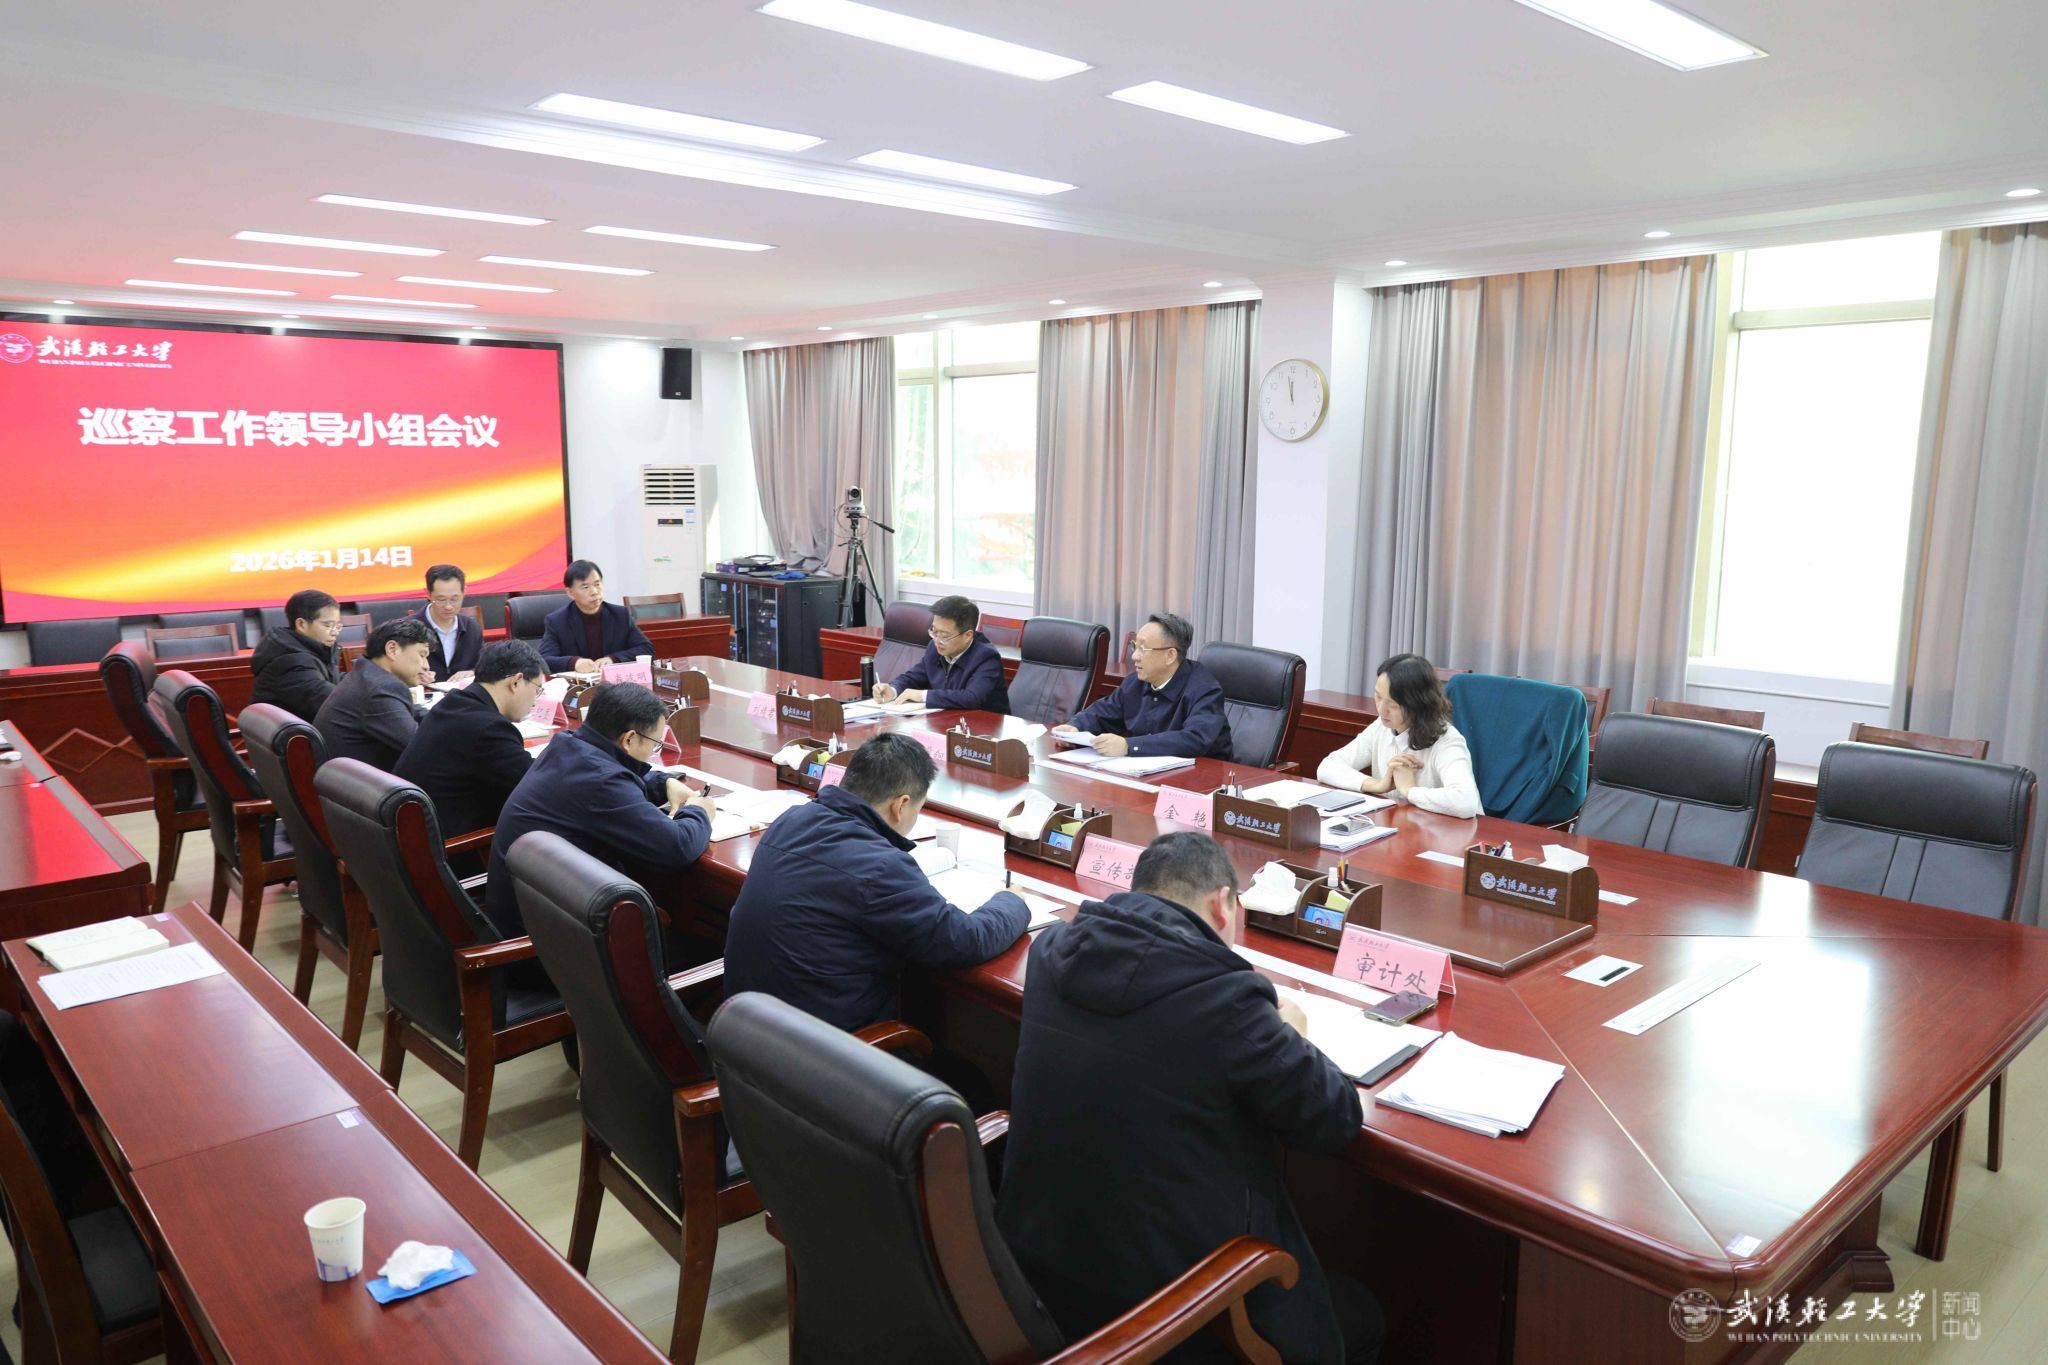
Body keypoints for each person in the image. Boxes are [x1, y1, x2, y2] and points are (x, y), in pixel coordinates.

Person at [997, 832, 1383, 1365]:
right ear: (1222, 905)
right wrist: (1290, 1033)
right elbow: (1334, 1118)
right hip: (1164, 1307)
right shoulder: (1227, 999)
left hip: (1037, 1269)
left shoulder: (1052, 951)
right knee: (1361, 1318)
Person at [724, 732, 1028, 1032]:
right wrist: (1011, 901)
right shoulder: (881, 866)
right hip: (825, 1052)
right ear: (901, 805)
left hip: (746, 1036)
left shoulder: (790, 821)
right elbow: (963, 941)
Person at [484, 682, 714, 939]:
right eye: (655, 744)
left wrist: (663, 783)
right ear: (629, 739)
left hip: (531, 913)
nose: (653, 752)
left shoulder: (566, 745)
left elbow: (606, 780)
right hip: (548, 940)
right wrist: (699, 811)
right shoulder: (602, 782)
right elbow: (676, 848)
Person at [394, 640, 545, 852]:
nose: (536, 701)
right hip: (454, 851)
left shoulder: (454, 703)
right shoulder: (489, 729)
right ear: (517, 681)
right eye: (537, 690)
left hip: (413, 838)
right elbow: (536, 785)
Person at [1316, 653, 1481, 818]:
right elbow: (1327, 767)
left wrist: (1409, 790)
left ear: (1418, 705)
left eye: (1393, 704)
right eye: (1378, 696)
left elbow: (1465, 802)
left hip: (1450, 830)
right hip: (1401, 824)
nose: (1381, 710)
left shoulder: (1447, 740)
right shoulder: (1380, 727)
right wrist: (1377, 785)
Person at [1055, 612, 1232, 759]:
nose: (1134, 656)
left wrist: (1129, 746)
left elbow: (1195, 739)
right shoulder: (1135, 682)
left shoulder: (1204, 689)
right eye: (1135, 646)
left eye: (1143, 649)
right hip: (1146, 775)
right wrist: (1075, 727)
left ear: (1170, 656)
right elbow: (1103, 713)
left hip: (1202, 779)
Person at [314, 617, 433, 771]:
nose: (426, 666)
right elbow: (421, 747)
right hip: (358, 783)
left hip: (345, 777)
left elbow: (411, 711)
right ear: (392, 649)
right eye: (422, 655)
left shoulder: (367, 674)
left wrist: (445, 718)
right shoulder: (379, 689)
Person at [871, 595, 1009, 714]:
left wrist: (923, 695)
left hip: (984, 728)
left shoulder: (986, 658)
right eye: (934, 631)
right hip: (947, 720)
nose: (937, 640)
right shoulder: (934, 647)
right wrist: (893, 690)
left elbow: (972, 698)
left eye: (944, 635)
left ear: (967, 635)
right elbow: (914, 677)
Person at [538, 560, 654, 673]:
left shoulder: (620, 615)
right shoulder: (557, 621)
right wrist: (573, 662)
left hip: (614, 683)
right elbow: (543, 659)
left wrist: (613, 659)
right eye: (585, 587)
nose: (594, 591)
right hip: (577, 684)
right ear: (570, 593)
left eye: (597, 584)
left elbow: (646, 649)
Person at [248, 588, 342, 722]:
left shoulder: (313, 649)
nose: (335, 632)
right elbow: (333, 703)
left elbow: (333, 680)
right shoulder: (290, 662)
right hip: (297, 734)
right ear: (301, 624)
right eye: (328, 625)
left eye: (337, 626)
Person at [415, 563, 483, 682]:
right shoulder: (410, 630)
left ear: (464, 591)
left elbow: (484, 666)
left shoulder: (472, 628)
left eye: (454, 599)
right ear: (428, 594)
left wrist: (473, 672)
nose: (448, 606)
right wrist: (414, 676)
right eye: (441, 600)